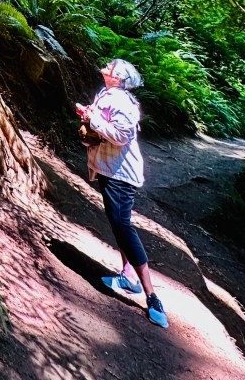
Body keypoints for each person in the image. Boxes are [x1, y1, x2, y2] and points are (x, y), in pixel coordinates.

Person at [76, 58, 169, 329]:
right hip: (109, 169)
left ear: (120, 78)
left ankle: (152, 297)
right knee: (118, 224)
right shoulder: (106, 94)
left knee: (123, 226)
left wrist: (92, 118)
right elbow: (101, 130)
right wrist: (88, 118)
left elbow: (121, 136)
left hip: (121, 174)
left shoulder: (124, 102)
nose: (107, 65)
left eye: (113, 66)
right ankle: (128, 276)